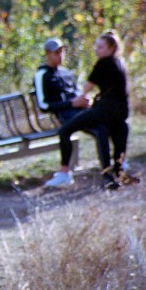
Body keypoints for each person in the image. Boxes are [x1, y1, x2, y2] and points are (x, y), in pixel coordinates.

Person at [44, 31, 132, 190]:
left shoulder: (103, 63)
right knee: (114, 128)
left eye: (100, 47)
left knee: (65, 130)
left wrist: (82, 99)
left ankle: (99, 173)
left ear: (111, 48)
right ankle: (118, 170)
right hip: (122, 110)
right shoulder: (119, 62)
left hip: (105, 110)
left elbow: (87, 87)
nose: (96, 50)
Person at [33, 37, 112, 177]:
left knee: (104, 126)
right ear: (47, 54)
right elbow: (43, 105)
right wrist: (71, 104)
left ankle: (111, 166)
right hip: (63, 115)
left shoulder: (66, 73)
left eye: (61, 52)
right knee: (98, 128)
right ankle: (68, 172)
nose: (60, 55)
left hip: (78, 111)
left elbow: (77, 93)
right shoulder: (42, 74)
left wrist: (84, 100)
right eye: (56, 52)